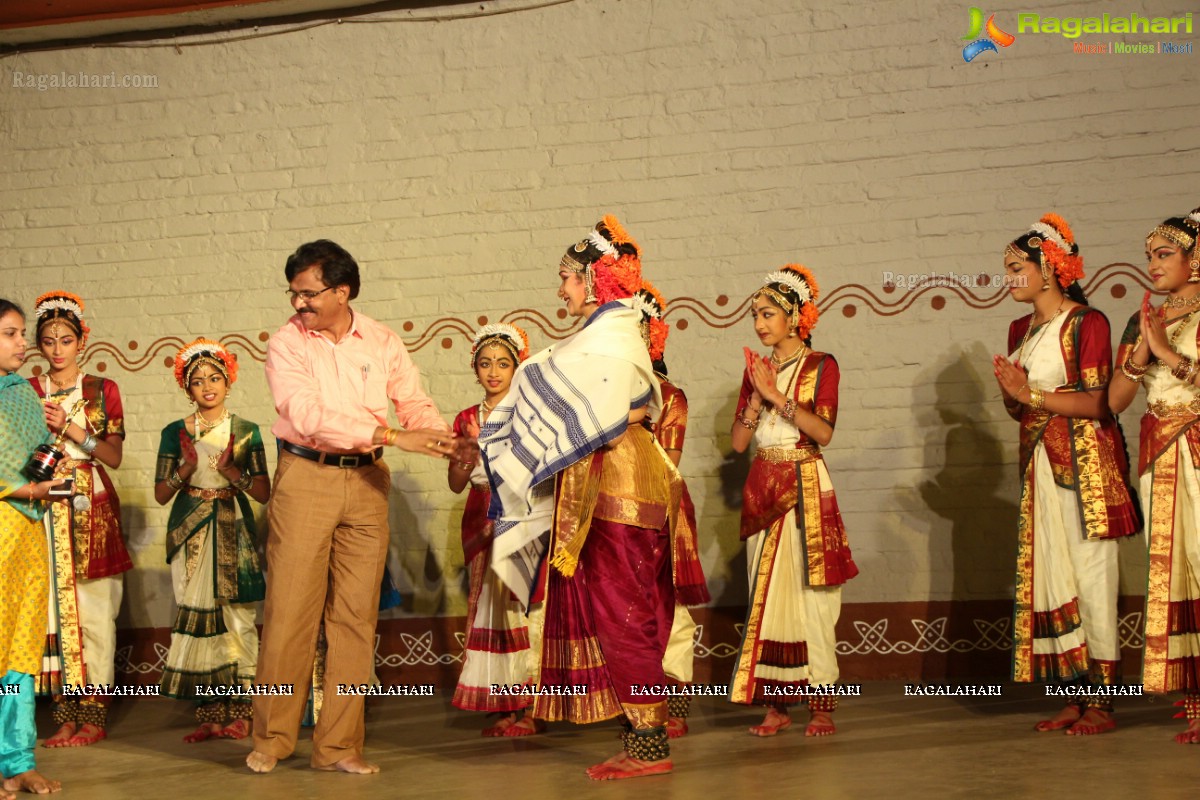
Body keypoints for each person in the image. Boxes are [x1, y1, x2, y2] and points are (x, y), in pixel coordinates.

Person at [481, 216, 681, 780]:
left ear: (594, 281)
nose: (560, 290)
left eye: (567, 278)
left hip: (619, 489)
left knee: (624, 613)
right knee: (618, 610)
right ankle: (639, 736)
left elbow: (615, 415)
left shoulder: (612, 338)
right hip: (610, 485)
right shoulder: (603, 337)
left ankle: (650, 745)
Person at [247, 239, 457, 775]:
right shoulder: (287, 345)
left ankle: (339, 746)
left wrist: (441, 435)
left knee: (355, 619)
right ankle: (272, 738)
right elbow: (309, 415)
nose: (298, 304)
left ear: (342, 291)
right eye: (293, 293)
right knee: (290, 613)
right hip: (305, 478)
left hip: (366, 484)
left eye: (308, 293)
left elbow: (412, 399)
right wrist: (391, 433)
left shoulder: (381, 341)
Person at [992, 213, 1139, 735]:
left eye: (1015, 268)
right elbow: (1025, 407)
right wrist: (1017, 399)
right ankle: (1073, 695)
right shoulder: (1019, 328)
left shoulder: (1087, 323)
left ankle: (1104, 701)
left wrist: (1027, 393)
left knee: (1093, 578)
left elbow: (1101, 403)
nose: (1007, 278)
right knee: (1052, 575)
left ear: (1050, 268)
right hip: (1038, 466)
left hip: (1083, 468)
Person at [728, 264, 857, 738]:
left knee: (812, 597)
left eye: (768, 314)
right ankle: (777, 703)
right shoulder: (755, 372)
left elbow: (823, 431)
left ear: (795, 317)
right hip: (763, 485)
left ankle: (821, 702)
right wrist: (755, 399)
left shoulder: (823, 364)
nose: (760, 323)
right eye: (755, 315)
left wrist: (775, 394)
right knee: (764, 595)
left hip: (804, 484)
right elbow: (740, 443)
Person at [1109, 206, 1200, 743]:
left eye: (1164, 254)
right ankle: (1194, 699)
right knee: (1173, 571)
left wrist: (1168, 350)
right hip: (1161, 454)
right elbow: (1117, 399)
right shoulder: (1146, 316)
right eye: (1149, 256)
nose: (1153, 264)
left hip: (1196, 444)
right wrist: (1143, 351)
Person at [154, 339, 270, 742]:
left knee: (238, 619)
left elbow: (262, 492)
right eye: (198, 381)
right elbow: (161, 494)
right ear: (187, 389)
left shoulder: (246, 431)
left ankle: (243, 713)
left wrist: (232, 472)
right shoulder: (175, 433)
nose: (207, 386)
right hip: (190, 532)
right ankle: (209, 714)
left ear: (228, 380)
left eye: (214, 378)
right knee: (198, 617)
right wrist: (185, 469)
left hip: (232, 527)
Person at [29, 291, 128, 747]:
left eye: (65, 339)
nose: (57, 349)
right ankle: (64, 713)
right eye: (48, 341)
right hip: (44, 504)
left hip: (92, 505)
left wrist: (73, 431)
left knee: (95, 611)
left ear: (81, 341)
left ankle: (95, 714)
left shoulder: (101, 390)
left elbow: (112, 456)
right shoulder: (27, 393)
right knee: (54, 610)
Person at [449, 322, 539, 735]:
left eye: (503, 363)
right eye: (485, 364)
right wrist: (465, 454)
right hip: (481, 516)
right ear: (475, 369)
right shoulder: (466, 418)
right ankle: (503, 703)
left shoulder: (530, 410)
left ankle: (533, 708)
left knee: (522, 611)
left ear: (516, 367)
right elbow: (455, 483)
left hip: (522, 515)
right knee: (490, 609)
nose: (494, 372)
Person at [633, 283, 710, 738]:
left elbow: (667, 467)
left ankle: (674, 700)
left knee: (670, 608)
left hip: (662, 511)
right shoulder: (606, 393)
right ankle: (635, 702)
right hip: (613, 511)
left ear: (653, 337)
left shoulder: (669, 396)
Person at [0, 297, 63, 796]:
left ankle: (18, 760)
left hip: (25, 532)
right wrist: (24, 490)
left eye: (21, 333)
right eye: (11, 334)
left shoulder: (21, 392)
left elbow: (37, 453)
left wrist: (49, 482)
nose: (24, 343)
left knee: (20, 649)